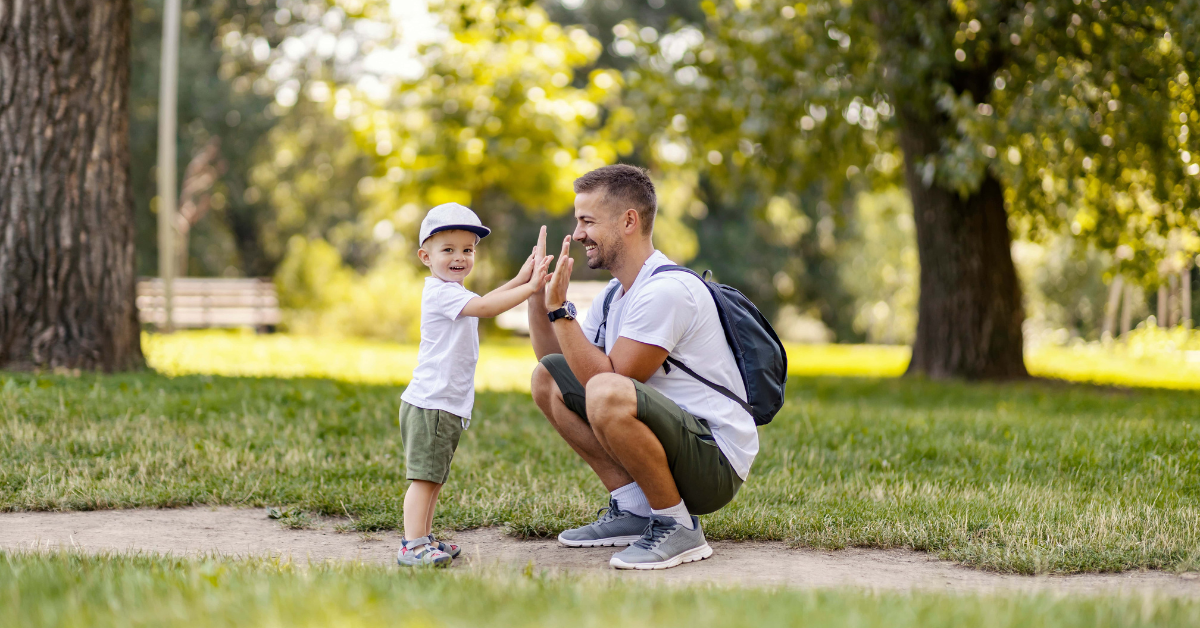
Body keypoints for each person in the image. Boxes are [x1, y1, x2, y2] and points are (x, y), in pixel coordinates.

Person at [527, 164, 757, 570]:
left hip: (714, 462)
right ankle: (635, 510)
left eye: (587, 221)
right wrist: (538, 297)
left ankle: (678, 525)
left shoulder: (668, 290)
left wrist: (561, 309)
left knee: (606, 390)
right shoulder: (616, 293)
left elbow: (611, 381)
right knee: (547, 377)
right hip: (676, 445)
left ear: (628, 221)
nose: (578, 234)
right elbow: (555, 359)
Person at [397, 202, 553, 567]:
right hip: (431, 403)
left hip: (444, 403)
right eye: (448, 249)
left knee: (434, 478)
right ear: (425, 256)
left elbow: (485, 301)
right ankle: (412, 544)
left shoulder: (456, 293)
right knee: (423, 480)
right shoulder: (439, 292)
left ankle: (425, 537)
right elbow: (488, 309)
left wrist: (520, 278)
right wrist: (530, 287)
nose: (460, 257)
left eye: (467, 250)